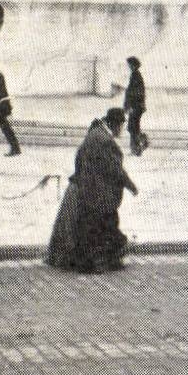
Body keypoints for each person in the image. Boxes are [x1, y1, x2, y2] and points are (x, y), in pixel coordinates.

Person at [46, 109, 138, 273]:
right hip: (97, 192)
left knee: (91, 228)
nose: (121, 130)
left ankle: (98, 261)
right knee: (104, 226)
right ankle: (100, 262)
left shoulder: (94, 134)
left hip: (86, 189)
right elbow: (115, 169)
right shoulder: (106, 141)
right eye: (121, 125)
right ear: (116, 124)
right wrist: (131, 186)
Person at [123, 56, 148, 155]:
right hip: (136, 106)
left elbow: (136, 93)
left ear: (133, 65)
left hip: (135, 107)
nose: (128, 66)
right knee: (133, 127)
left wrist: (131, 106)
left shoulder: (136, 76)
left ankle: (137, 148)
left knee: (133, 128)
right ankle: (138, 146)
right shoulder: (135, 75)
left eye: (129, 64)